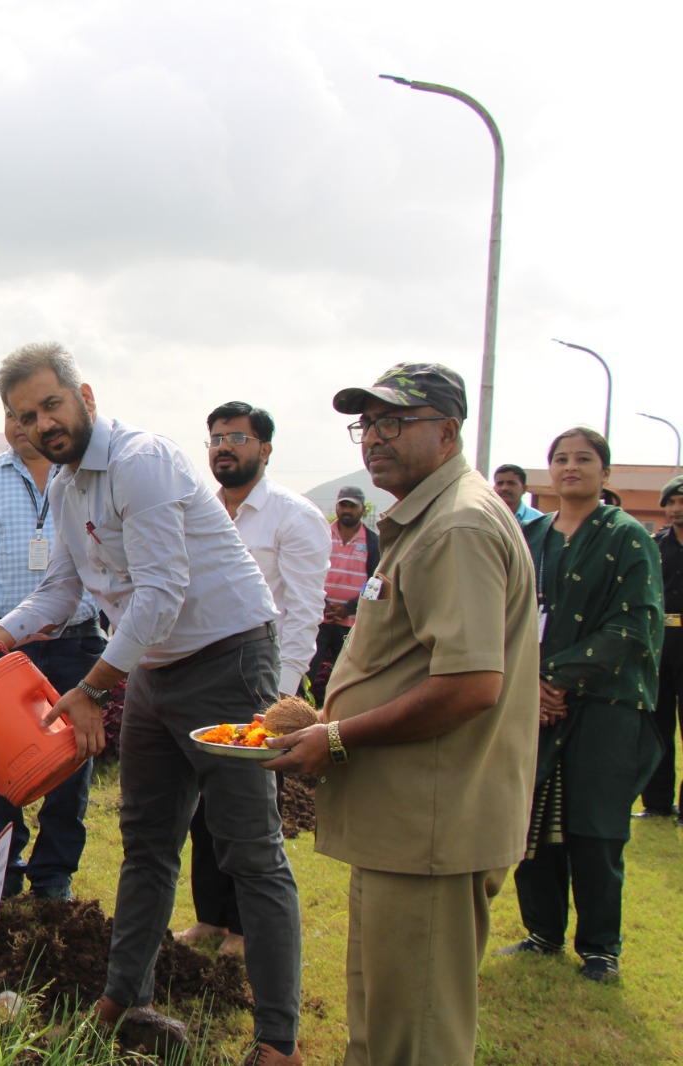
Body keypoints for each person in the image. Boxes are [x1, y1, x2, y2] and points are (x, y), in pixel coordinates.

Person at [0, 343, 300, 1064]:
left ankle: (278, 1040)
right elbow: (64, 590)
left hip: (228, 658)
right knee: (146, 840)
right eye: (24, 416)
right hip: (155, 668)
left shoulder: (142, 461)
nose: (42, 423)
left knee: (247, 849)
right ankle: (124, 994)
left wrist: (89, 690)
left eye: (51, 404)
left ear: (85, 396)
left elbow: (162, 591)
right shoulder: (66, 488)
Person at [265, 362, 537, 1066]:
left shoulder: (459, 526)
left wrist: (338, 738)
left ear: (448, 432)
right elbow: (413, 662)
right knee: (386, 1020)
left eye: (395, 422)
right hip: (408, 822)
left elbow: (470, 685)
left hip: (432, 823)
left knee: (415, 1035)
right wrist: (325, 714)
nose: (374, 439)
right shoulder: (425, 518)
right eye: (368, 424)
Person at [501, 428, 663, 982]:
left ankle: (601, 948)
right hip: (535, 703)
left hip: (605, 702)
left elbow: (633, 622)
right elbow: (513, 614)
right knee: (531, 815)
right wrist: (531, 685)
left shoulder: (627, 536)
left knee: (596, 826)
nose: (571, 467)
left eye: (584, 459)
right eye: (561, 459)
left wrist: (556, 678)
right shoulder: (533, 536)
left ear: (605, 473)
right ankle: (542, 932)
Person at [177, 401, 329, 959]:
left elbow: (304, 610)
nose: (224, 447)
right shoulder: (201, 511)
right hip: (201, 674)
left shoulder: (295, 515)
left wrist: (279, 696)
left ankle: (245, 929)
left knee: (250, 812)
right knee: (202, 808)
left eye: (237, 437)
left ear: (265, 448)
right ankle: (211, 918)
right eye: (215, 437)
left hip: (262, 683)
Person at [0, 411, 105, 903]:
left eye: (31, 415)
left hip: (75, 638)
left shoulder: (81, 476)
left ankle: (54, 874)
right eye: (12, 415)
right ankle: (6, 862)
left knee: (73, 758)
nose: (20, 426)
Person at [638, 474, 683, 822]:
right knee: (658, 724)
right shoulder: (655, 545)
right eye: (672, 502)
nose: (677, 509)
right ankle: (656, 803)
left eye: (682, 502)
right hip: (661, 643)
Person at [309, 485, 380, 698]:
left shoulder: (372, 541)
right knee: (309, 669)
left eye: (352, 506)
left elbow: (374, 582)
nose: (347, 510)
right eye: (343, 505)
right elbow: (309, 571)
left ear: (362, 510)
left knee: (344, 673)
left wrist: (349, 608)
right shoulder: (322, 533)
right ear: (337, 507)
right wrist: (324, 604)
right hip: (319, 617)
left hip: (350, 621)